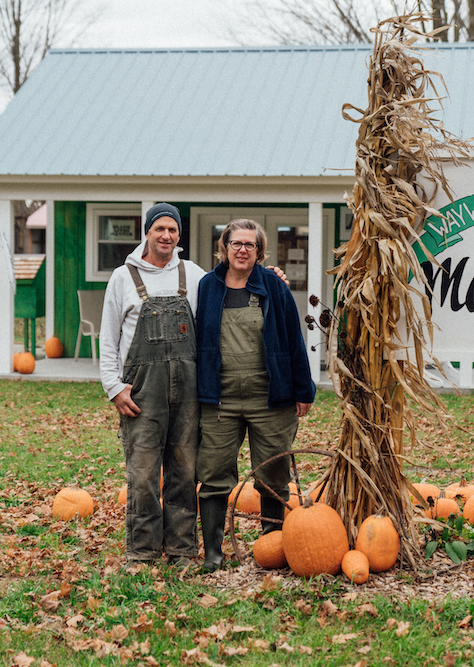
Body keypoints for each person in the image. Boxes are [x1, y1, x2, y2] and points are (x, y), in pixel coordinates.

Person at [195, 218, 317, 572]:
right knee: (215, 474)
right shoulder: (207, 286)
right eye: (236, 244)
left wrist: (303, 389)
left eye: (250, 245)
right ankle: (214, 553)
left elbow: (294, 339)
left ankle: (271, 545)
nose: (243, 250)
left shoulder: (273, 288)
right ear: (225, 248)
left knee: (273, 475)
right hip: (220, 399)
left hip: (270, 398)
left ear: (259, 251)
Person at [100, 203, 205, 566]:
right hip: (141, 393)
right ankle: (142, 551)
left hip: (188, 391)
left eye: (172, 230)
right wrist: (114, 387)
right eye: (159, 229)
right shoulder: (123, 277)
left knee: (184, 470)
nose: (166, 236)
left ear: (179, 236)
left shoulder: (191, 274)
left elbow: (229, 288)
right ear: (147, 232)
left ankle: (181, 549)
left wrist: (268, 276)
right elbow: (108, 337)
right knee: (143, 474)